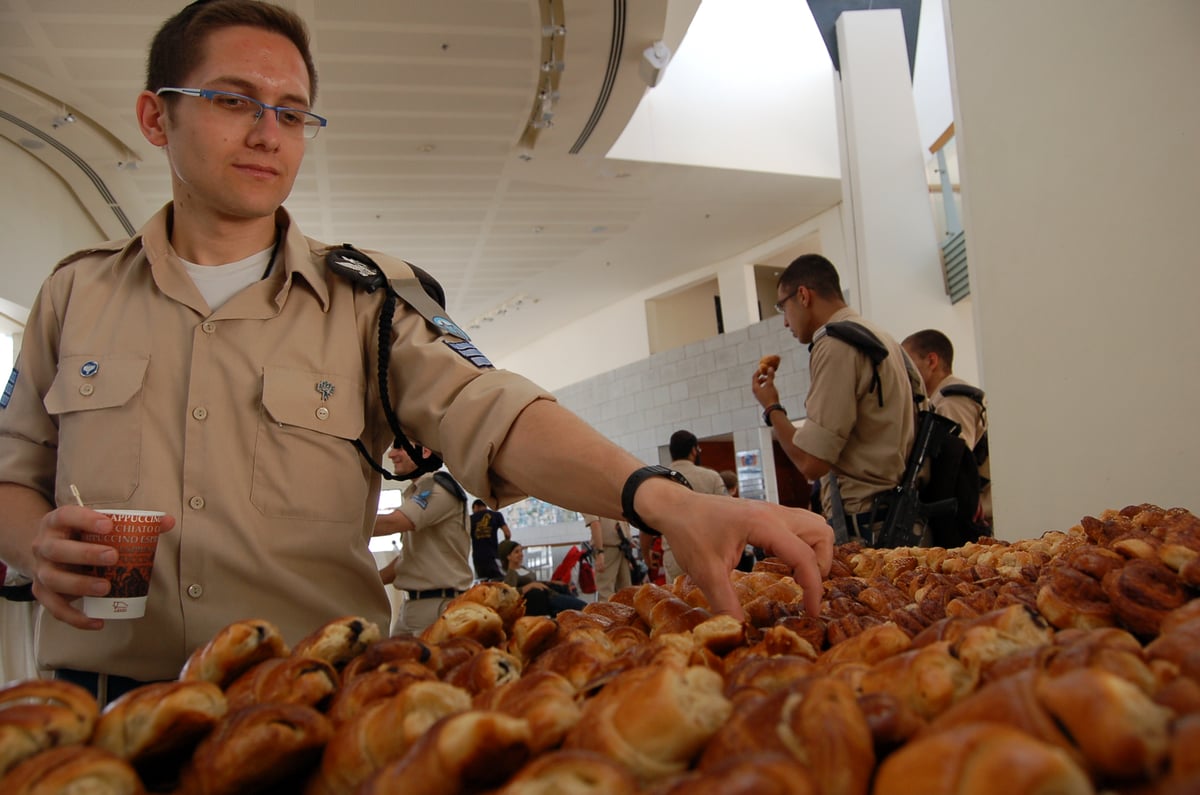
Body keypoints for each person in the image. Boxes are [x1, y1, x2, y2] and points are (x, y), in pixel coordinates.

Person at [0, 0, 832, 702]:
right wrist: (33, 544)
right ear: (157, 116)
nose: (267, 132)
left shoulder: (365, 300)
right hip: (97, 706)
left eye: (291, 112)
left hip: (309, 702)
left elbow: (493, 411)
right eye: (233, 100)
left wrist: (666, 500)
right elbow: (12, 476)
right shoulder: (75, 296)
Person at [752, 254, 919, 546]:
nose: (784, 322)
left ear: (803, 295)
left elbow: (811, 462)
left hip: (866, 528)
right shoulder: (883, 339)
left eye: (782, 306)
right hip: (897, 515)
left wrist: (771, 407)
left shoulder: (835, 344)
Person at [376, 446, 473, 635]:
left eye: (399, 447)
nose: (391, 454)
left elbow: (393, 522)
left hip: (436, 605)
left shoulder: (435, 487)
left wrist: (340, 526)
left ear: (425, 451)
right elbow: (408, 560)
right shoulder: (417, 490)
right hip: (414, 606)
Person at [902, 329, 991, 528]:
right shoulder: (940, 399)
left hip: (974, 515)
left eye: (907, 363)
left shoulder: (953, 399)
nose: (903, 372)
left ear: (931, 361)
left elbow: (954, 464)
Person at [656, 430, 728, 582]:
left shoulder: (658, 480)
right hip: (707, 552)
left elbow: (649, 520)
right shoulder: (711, 477)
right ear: (694, 450)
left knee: (677, 601)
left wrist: (645, 552)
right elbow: (726, 515)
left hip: (674, 554)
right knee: (711, 599)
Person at [497, 540, 585, 617]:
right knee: (582, 607)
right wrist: (530, 586)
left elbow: (535, 582)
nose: (521, 554)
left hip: (551, 594)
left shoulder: (523, 568)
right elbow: (510, 593)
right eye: (516, 552)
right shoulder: (511, 574)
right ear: (508, 556)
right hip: (547, 599)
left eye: (521, 551)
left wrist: (553, 582)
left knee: (580, 606)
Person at [582, 513, 632, 599]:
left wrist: (600, 552)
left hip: (607, 548)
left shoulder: (589, 500)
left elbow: (595, 523)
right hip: (622, 546)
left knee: (605, 591)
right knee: (625, 592)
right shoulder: (609, 499)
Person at [469, 498, 511, 581]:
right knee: (500, 581)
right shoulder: (496, 515)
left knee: (483, 583)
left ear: (476, 507)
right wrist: (505, 546)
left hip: (477, 558)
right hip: (493, 555)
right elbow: (507, 533)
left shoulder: (470, 519)